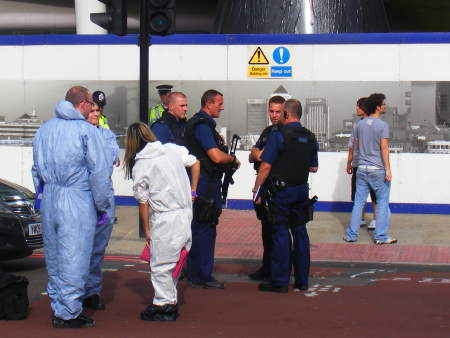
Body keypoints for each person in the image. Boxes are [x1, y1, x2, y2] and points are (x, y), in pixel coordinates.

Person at [31, 86, 112, 328]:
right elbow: (99, 174)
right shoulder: (86, 131)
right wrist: (102, 206)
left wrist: (41, 194)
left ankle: (59, 304)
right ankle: (69, 312)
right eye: (90, 103)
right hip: (77, 198)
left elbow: (36, 169)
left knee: (55, 256)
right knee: (75, 256)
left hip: (51, 197)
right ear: (84, 103)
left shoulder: (45, 129)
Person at [123, 123, 200, 321]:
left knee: (160, 264)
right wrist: (192, 190)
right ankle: (169, 299)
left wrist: (146, 229)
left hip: (166, 216)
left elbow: (143, 200)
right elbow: (195, 162)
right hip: (185, 213)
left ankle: (164, 306)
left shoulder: (142, 163)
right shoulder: (172, 150)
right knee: (176, 260)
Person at [252, 99, 318, 293]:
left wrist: (257, 191)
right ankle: (302, 280)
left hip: (281, 193)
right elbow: (313, 167)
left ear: (286, 114)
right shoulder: (310, 137)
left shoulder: (279, 135)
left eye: (280, 113)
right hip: (301, 190)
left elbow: (265, 165)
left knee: (280, 233)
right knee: (300, 233)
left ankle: (280, 282)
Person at [184, 89, 241, 289]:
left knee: (199, 226)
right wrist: (232, 159)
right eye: (219, 103)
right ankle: (202, 275)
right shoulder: (202, 125)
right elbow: (216, 156)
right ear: (208, 104)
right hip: (205, 183)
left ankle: (194, 272)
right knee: (205, 227)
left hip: (203, 181)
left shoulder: (200, 124)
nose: (222, 107)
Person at [344, 93, 397, 245]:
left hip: (361, 168)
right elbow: (384, 149)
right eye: (383, 104)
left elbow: (357, 146)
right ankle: (380, 237)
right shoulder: (383, 125)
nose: (385, 106)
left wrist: (354, 162)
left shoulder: (359, 124)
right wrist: (388, 170)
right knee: (382, 203)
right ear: (378, 107)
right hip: (377, 169)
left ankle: (351, 235)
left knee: (358, 202)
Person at [82, 102, 120, 311]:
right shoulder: (78, 133)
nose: (96, 114)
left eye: (98, 111)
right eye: (92, 111)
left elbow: (113, 159)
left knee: (97, 249)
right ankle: (77, 292)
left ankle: (92, 293)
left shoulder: (106, 135)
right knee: (79, 249)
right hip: (83, 196)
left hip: (103, 194)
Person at [248, 95, 285, 281]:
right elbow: (253, 154)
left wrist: (257, 154)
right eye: (271, 111)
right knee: (267, 230)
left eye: (278, 111)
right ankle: (268, 267)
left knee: (277, 232)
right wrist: (256, 153)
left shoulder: (284, 133)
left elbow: (263, 158)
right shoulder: (268, 131)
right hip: (266, 186)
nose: (274, 115)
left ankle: (276, 270)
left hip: (275, 187)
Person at [346, 97, 377, 230]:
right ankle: (363, 218)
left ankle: (373, 219)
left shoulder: (369, 125)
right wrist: (349, 163)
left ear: (364, 108)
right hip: (363, 164)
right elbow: (352, 145)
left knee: (372, 194)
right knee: (362, 193)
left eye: (358, 106)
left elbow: (353, 146)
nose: (356, 108)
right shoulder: (359, 125)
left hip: (369, 164)